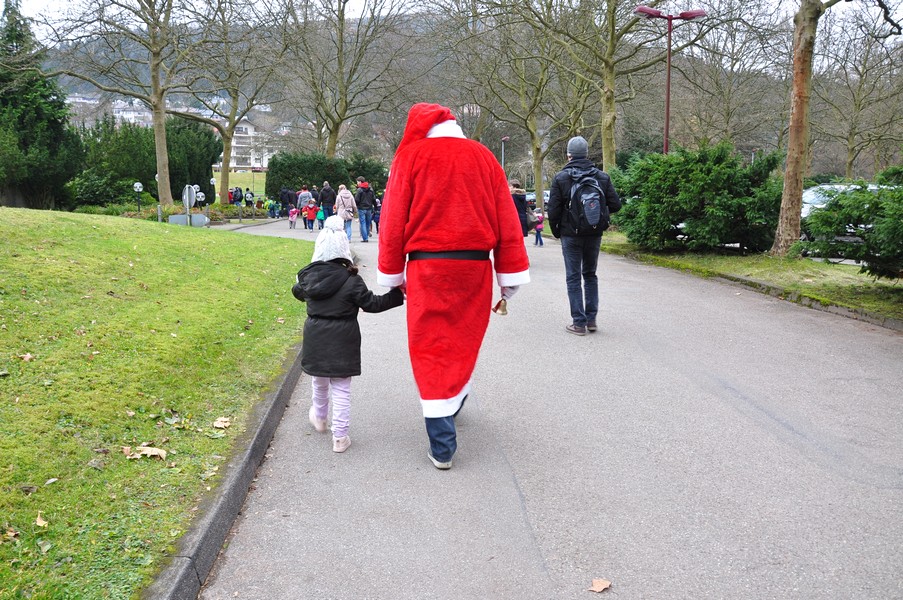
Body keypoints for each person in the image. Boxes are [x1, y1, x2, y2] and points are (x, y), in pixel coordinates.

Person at [377, 102, 529, 470]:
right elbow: (507, 219)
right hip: (474, 267)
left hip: (426, 269)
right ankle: (453, 397)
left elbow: (393, 219)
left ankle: (442, 441)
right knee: (462, 339)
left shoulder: (411, 158)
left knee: (430, 344)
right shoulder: (483, 156)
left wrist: (391, 273)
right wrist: (509, 276)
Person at [292, 216, 405, 453]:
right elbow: (372, 304)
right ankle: (340, 437)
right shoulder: (352, 280)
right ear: (345, 251)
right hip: (344, 338)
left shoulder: (308, 279)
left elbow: (297, 292)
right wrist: (396, 296)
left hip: (315, 335)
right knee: (341, 387)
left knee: (319, 381)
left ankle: (319, 417)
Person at [547, 135, 621, 336]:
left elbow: (553, 211)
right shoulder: (602, 177)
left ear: (568, 155)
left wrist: (557, 232)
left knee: (573, 277)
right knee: (590, 274)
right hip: (594, 233)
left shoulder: (561, 178)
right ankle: (591, 320)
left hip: (570, 235)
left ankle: (578, 323)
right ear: (587, 154)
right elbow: (616, 205)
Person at [354, 177, 377, 243]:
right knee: (368, 223)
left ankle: (365, 238)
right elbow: (374, 200)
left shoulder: (359, 190)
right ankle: (366, 235)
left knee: (363, 223)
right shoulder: (371, 190)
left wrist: (356, 206)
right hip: (369, 208)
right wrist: (375, 207)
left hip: (361, 208)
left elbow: (357, 200)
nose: (357, 183)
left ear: (360, 182)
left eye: (357, 182)